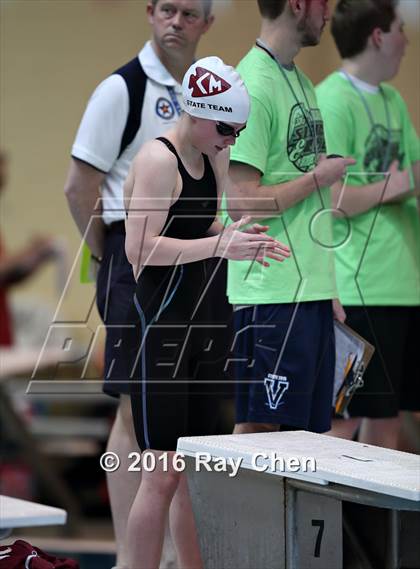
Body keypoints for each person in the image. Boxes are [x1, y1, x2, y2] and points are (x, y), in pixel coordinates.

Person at [123, 56, 290, 569]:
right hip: (160, 330)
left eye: (237, 131)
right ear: (198, 113)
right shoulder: (158, 160)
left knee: (194, 470)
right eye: (226, 129)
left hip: (203, 326)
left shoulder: (211, 157)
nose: (232, 141)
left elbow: (202, 230)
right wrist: (219, 248)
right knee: (159, 473)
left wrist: (235, 238)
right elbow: (141, 250)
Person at [63, 2, 214, 567]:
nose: (176, 21)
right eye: (166, 9)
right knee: (136, 407)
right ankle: (133, 554)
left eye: (189, 13)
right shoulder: (121, 90)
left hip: (194, 266)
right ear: (150, 14)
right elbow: (79, 187)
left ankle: (174, 552)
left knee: (185, 420)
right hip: (136, 259)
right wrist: (107, 256)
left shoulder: (209, 91)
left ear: (207, 24)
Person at [224, 0, 356, 436]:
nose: (328, 13)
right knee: (260, 433)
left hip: (309, 291)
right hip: (272, 291)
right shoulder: (255, 85)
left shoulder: (300, 81)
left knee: (307, 439)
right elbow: (241, 201)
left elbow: (311, 204)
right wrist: (319, 177)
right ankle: (238, 510)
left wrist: (328, 287)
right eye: (323, 3)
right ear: (298, 5)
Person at [316, 0, 420, 448]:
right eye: (401, 28)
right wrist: (393, 185)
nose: (407, 40)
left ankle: (380, 522)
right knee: (343, 421)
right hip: (361, 287)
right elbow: (331, 197)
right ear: (379, 35)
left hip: (405, 284)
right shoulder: (331, 100)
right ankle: (337, 521)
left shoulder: (393, 99)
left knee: (391, 417)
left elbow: (414, 176)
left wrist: (401, 183)